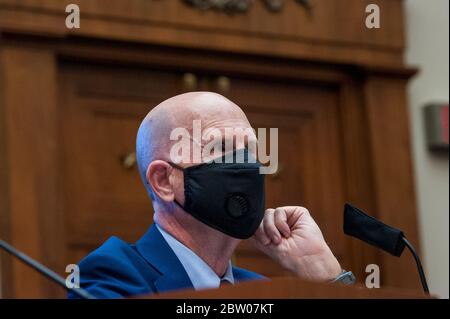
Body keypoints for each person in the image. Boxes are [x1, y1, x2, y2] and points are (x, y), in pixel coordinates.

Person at [68, 92, 344, 299]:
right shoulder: (115, 276)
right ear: (164, 180)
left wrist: (326, 276)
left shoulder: (261, 291)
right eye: (221, 147)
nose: (245, 165)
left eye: (250, 150)